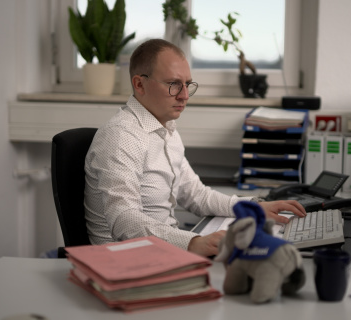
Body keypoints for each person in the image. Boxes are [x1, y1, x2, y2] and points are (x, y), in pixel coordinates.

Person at [84, 39, 306, 257]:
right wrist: (193, 242)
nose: (185, 95)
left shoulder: (167, 128)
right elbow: (124, 219)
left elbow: (196, 195)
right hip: (123, 262)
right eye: (173, 84)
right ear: (139, 84)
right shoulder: (120, 136)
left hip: (162, 251)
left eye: (187, 84)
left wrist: (253, 207)